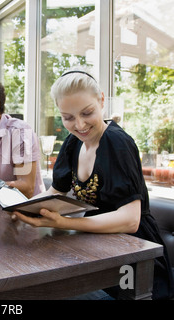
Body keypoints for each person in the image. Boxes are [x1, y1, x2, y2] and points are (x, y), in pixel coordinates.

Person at [12, 70, 174, 300]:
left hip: (136, 259)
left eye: (87, 113)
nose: (79, 125)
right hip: (96, 250)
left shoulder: (118, 143)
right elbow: (55, 192)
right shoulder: (73, 142)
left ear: (101, 100)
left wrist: (63, 221)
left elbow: (130, 220)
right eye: (67, 117)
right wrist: (21, 210)